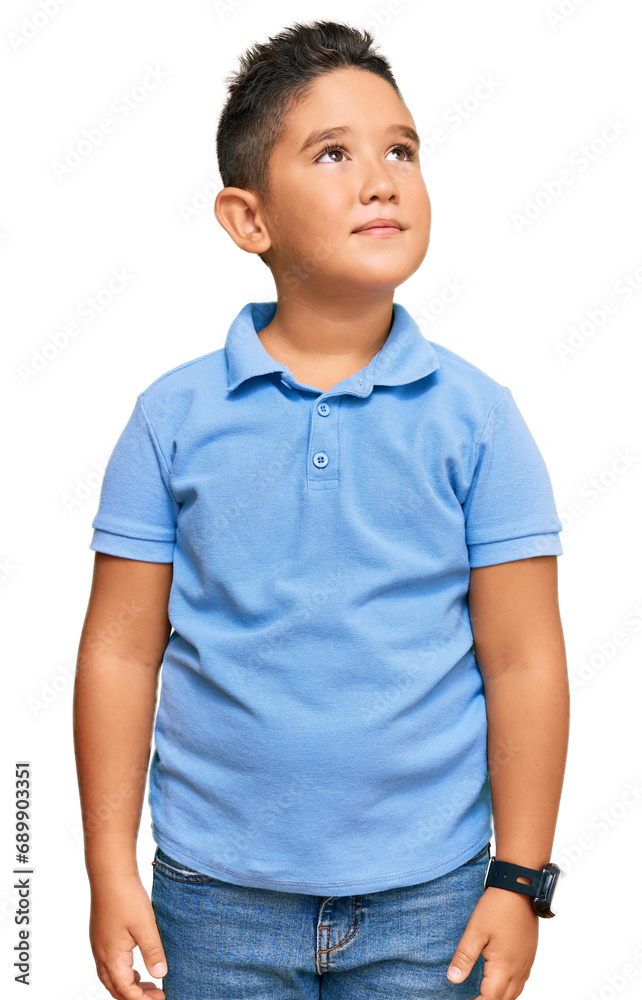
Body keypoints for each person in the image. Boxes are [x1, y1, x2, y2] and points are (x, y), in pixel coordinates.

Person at [73, 19, 570, 1000]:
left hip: (430, 906)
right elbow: (120, 652)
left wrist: (520, 877)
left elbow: (525, 659)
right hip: (214, 905)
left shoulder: (479, 421)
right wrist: (106, 868)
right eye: (333, 153)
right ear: (248, 220)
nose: (380, 176)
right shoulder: (170, 420)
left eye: (402, 149)